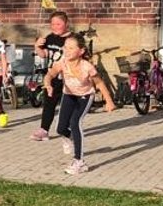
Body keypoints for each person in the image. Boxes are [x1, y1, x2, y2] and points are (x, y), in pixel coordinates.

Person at [43, 34, 116, 175]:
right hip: (69, 95)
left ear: (81, 51)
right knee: (60, 129)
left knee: (75, 122)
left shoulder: (86, 66)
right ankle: (71, 138)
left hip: (85, 96)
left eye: (71, 48)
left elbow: (99, 83)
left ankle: (79, 162)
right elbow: (50, 74)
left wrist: (109, 101)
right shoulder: (62, 62)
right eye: (65, 47)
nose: (67, 50)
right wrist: (48, 85)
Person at [31, 11, 74, 141]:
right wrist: (37, 46)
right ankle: (44, 130)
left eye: (58, 24)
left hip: (68, 77)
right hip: (52, 76)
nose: (55, 26)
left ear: (66, 24)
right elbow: (43, 54)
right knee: (49, 103)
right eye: (52, 24)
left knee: (69, 104)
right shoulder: (50, 38)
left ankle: (69, 128)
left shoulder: (72, 39)